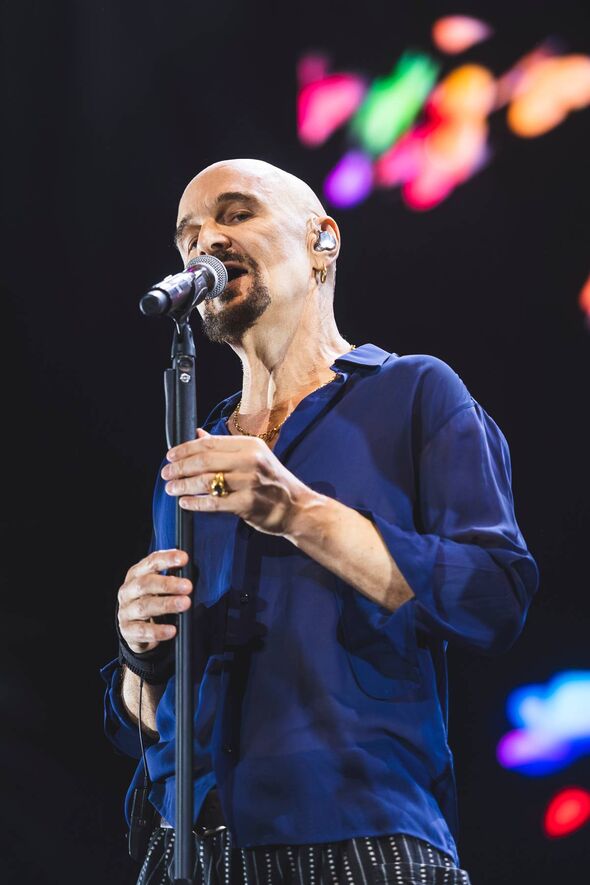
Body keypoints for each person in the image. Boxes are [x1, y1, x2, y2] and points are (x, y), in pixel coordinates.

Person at [101, 158, 539, 885]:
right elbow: (146, 721)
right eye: (187, 235)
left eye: (235, 214)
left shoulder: (415, 393)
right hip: (186, 852)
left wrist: (297, 510)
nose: (204, 240)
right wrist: (137, 652)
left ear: (322, 242)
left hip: (359, 836)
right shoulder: (189, 458)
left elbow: (495, 596)